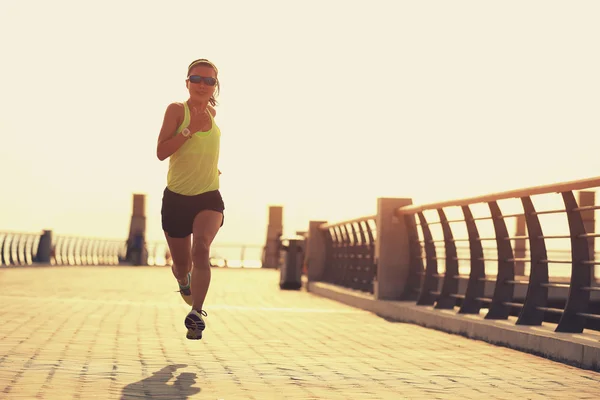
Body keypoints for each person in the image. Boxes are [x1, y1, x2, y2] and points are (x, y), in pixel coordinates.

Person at [156, 58, 224, 340]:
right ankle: (183, 280)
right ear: (187, 82)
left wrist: (211, 168)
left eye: (209, 81)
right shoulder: (176, 110)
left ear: (214, 87)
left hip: (208, 196)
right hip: (176, 200)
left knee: (202, 250)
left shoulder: (212, 114)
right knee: (182, 264)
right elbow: (162, 152)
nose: (202, 85)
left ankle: (196, 313)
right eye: (196, 79)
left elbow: (202, 151)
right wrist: (190, 128)